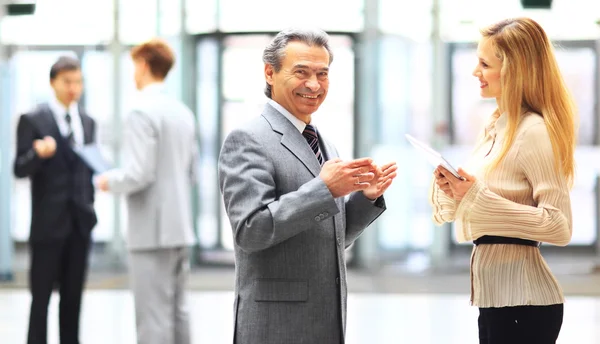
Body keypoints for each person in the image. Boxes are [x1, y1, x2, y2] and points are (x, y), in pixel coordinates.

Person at [218, 28, 397, 344]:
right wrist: (325, 190)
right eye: (301, 72)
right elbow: (251, 230)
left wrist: (364, 199)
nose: (314, 85)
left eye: (322, 74)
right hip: (277, 323)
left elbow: (330, 238)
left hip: (326, 319)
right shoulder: (248, 139)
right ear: (269, 73)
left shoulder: (324, 143)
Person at [430, 17, 576, 344]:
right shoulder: (497, 126)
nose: (474, 72)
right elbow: (476, 206)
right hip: (496, 300)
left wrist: (476, 197)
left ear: (514, 70)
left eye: (484, 64)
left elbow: (559, 226)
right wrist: (455, 191)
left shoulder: (533, 131)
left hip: (524, 304)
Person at [95, 38, 198, 344]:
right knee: (179, 312)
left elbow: (139, 173)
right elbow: (190, 173)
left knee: (152, 317)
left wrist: (107, 181)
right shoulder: (183, 112)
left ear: (142, 65)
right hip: (179, 228)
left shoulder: (140, 112)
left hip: (151, 232)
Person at [14, 56, 98, 344]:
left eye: (78, 82)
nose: (73, 88)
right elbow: (19, 168)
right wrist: (38, 153)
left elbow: (88, 170)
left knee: (73, 302)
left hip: (79, 225)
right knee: (40, 302)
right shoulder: (33, 120)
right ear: (53, 83)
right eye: (67, 82)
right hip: (47, 227)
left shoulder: (87, 122)